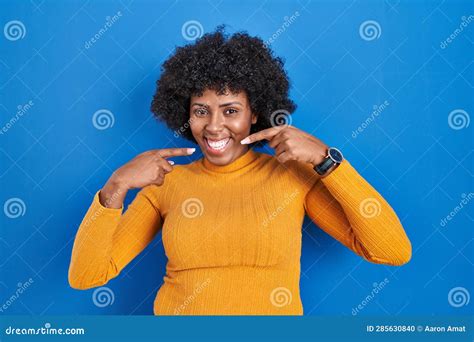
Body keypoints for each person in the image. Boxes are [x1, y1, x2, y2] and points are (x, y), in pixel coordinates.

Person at [68, 28, 411, 315]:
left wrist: (327, 160)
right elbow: (86, 276)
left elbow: (391, 251)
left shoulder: (292, 177)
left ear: (255, 114)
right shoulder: (166, 185)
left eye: (230, 110)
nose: (214, 127)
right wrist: (117, 185)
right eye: (201, 111)